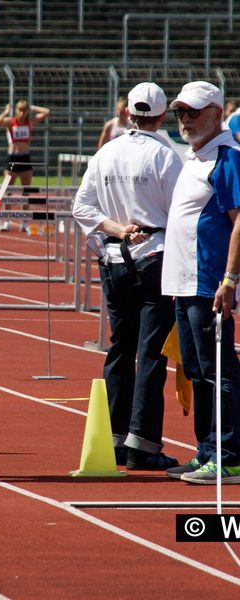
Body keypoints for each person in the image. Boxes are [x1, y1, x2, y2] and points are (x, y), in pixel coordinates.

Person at [73, 82, 183, 470]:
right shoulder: (166, 156)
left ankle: (114, 438)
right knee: (150, 353)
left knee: (120, 349)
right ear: (160, 116)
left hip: (115, 260)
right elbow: (179, 214)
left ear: (129, 113)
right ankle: (143, 445)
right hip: (154, 258)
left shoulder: (106, 152)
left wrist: (115, 230)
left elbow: (81, 207)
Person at [161, 81, 240, 484]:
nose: (185, 120)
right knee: (197, 369)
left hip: (208, 282)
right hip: (183, 282)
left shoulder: (226, 157)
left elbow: (239, 219)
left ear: (215, 112)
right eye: (179, 113)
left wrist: (229, 279)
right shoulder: (196, 156)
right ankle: (208, 449)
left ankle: (229, 455)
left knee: (218, 369)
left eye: (193, 111)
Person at [0, 99, 50, 232]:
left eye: (24, 110)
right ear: (16, 110)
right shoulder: (10, 122)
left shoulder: (30, 122)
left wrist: (34, 107)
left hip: (25, 158)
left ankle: (25, 222)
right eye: (19, 109)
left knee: (26, 192)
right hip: (13, 158)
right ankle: (6, 221)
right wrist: (6, 111)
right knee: (8, 191)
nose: (21, 113)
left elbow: (47, 112)